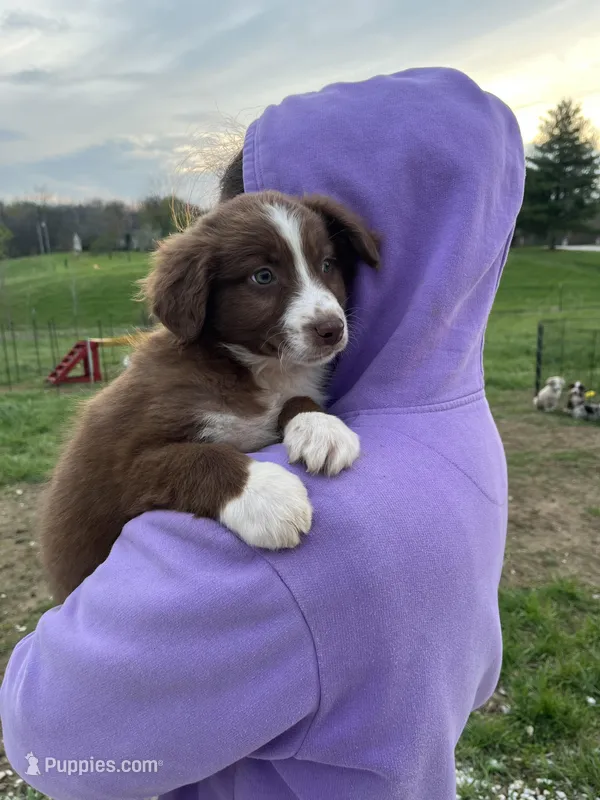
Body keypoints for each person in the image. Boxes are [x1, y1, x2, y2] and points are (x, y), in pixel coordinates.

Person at [0, 67, 524, 800]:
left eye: (329, 266)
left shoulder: (307, 546)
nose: (323, 304)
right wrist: (264, 447)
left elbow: (53, 746)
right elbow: (137, 465)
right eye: (263, 277)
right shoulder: (456, 427)